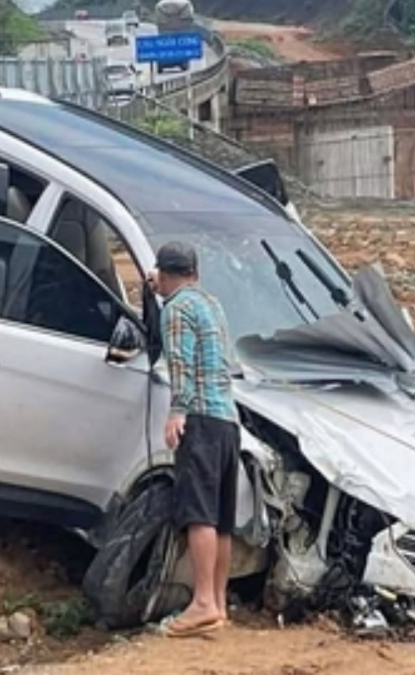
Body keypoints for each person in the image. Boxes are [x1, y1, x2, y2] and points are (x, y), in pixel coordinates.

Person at [153, 241, 240, 638]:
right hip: (227, 421)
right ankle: (217, 603)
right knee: (221, 519)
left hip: (201, 420)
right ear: (194, 273)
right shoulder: (211, 304)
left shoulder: (176, 309)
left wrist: (177, 411)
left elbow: (180, 362)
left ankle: (202, 601)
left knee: (198, 512)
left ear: (163, 274)